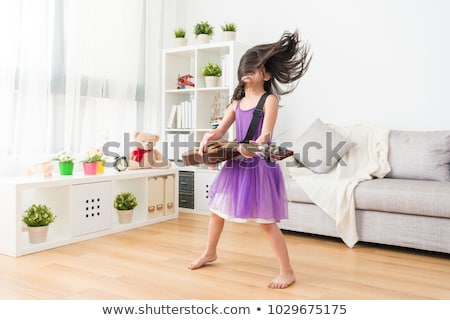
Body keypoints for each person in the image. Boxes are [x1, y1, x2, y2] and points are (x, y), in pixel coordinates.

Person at [188, 30, 312, 289]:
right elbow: (220, 131)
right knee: (216, 211)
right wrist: (207, 137)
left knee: (266, 222)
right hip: (236, 163)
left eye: (254, 68)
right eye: (246, 67)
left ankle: (287, 271)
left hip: (258, 166)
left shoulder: (270, 100)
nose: (248, 72)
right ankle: (210, 252)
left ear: (266, 74)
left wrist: (254, 146)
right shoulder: (236, 103)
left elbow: (266, 134)